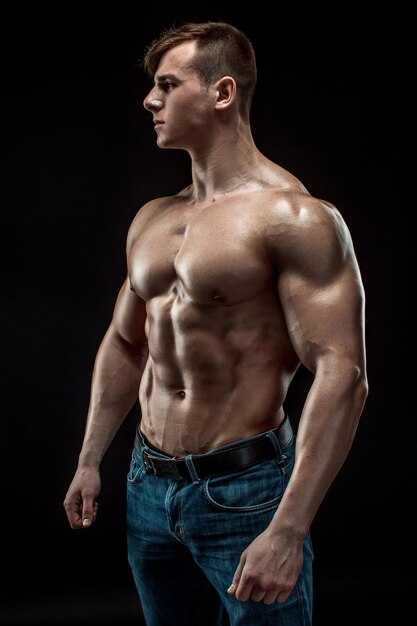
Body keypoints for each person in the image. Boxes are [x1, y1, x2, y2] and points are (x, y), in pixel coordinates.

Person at [63, 21, 368, 626]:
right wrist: (90, 458)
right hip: (148, 483)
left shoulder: (294, 218)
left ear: (222, 93)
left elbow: (343, 374)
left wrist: (288, 528)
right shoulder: (154, 217)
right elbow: (126, 342)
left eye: (168, 85)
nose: (150, 100)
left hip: (246, 494)